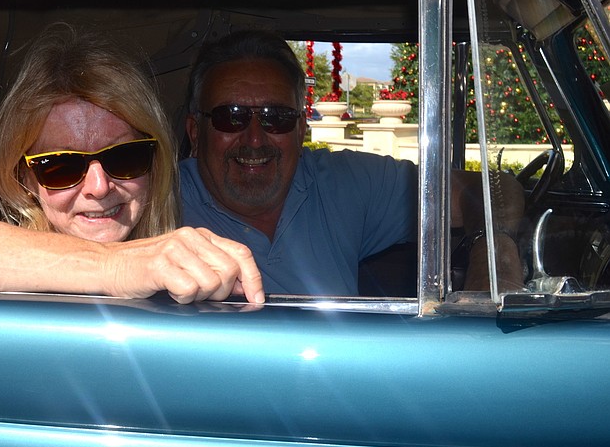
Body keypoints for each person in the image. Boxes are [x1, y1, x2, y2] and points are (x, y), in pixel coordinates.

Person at [0, 24, 265, 304]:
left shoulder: (186, 259)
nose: (98, 186)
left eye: (125, 156)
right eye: (60, 166)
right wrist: (113, 265)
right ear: (26, 179)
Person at [181, 30, 524, 295]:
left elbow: (491, 189)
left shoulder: (342, 182)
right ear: (196, 133)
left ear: (301, 129)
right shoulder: (156, 201)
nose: (254, 139)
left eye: (277, 117)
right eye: (231, 117)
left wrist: (494, 269)